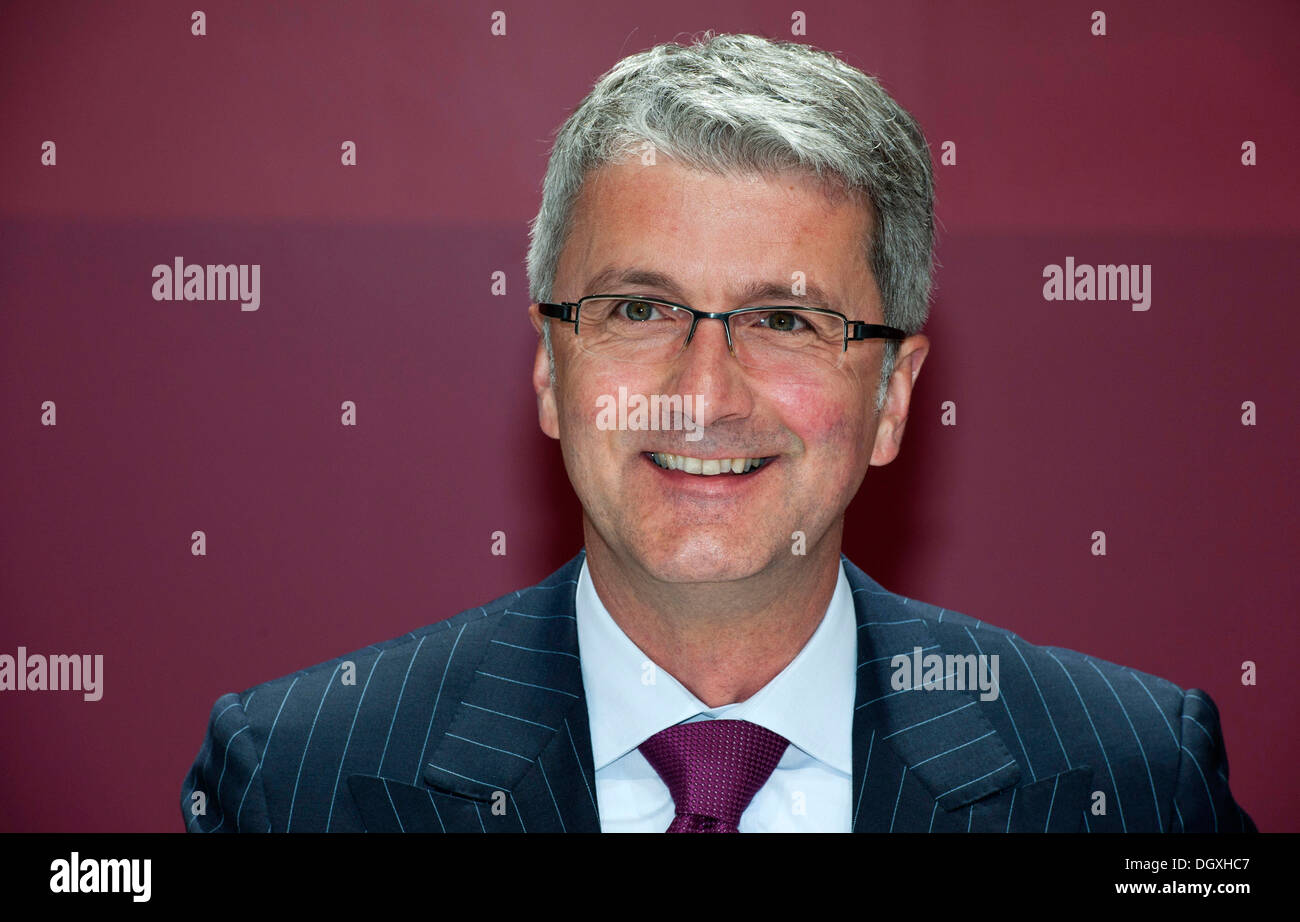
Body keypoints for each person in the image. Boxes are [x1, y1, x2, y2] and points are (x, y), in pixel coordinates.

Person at [181, 32, 1254, 833]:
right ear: (551, 369)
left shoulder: (1134, 779)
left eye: (784, 320)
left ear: (890, 397)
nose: (702, 395)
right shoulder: (295, 780)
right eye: (640, 309)